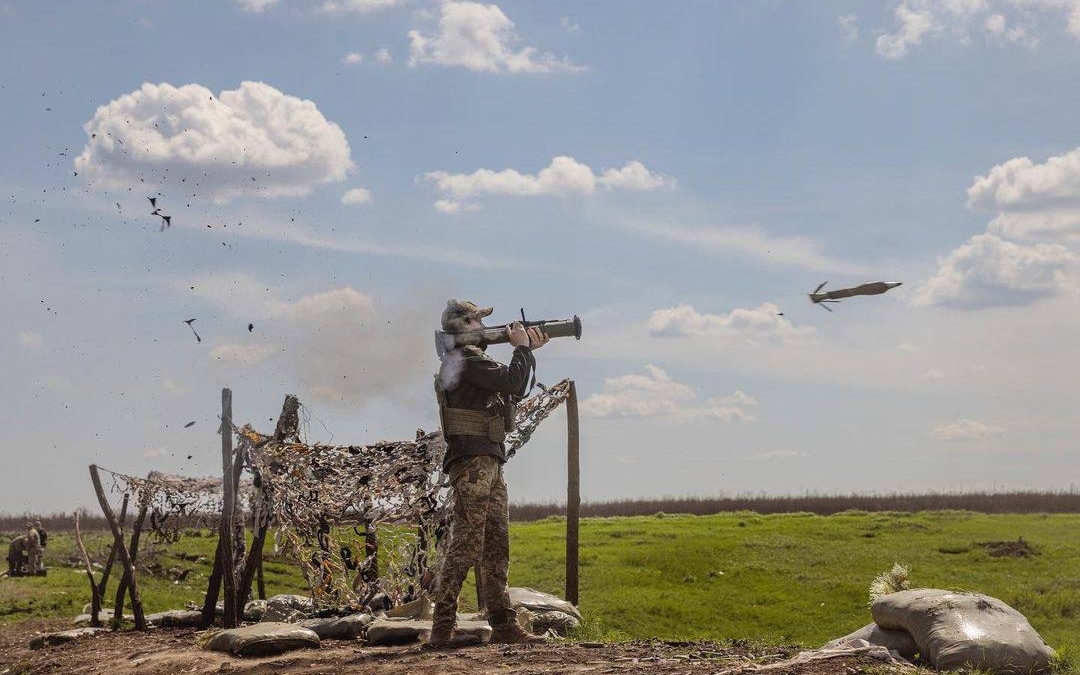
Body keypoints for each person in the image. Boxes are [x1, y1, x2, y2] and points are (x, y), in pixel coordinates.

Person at [428, 299, 550, 648]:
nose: (483, 327)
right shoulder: (464, 361)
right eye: (477, 321)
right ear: (463, 325)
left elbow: (513, 384)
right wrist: (523, 349)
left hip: (487, 461)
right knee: (467, 545)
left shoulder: (469, 361)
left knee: (497, 545)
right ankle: (442, 629)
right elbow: (513, 381)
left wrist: (528, 350)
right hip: (473, 464)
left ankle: (503, 624)